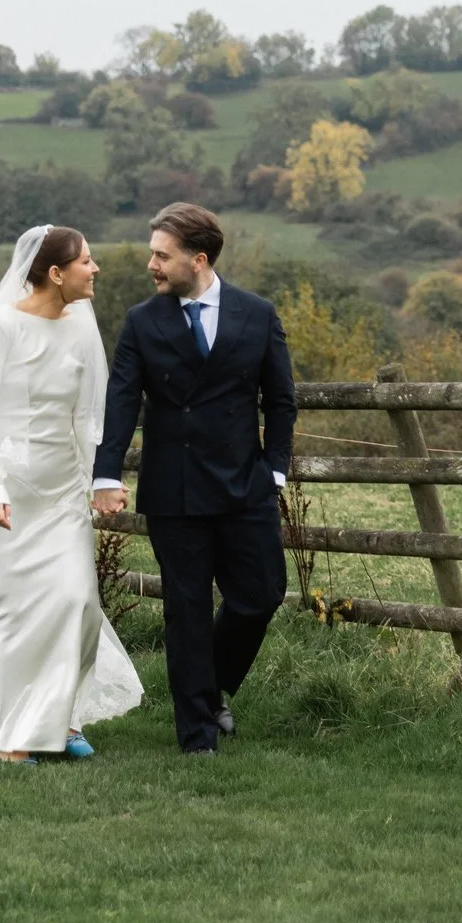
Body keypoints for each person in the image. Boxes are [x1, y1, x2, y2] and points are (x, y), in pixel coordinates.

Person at [90, 203, 296, 755]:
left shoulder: (256, 314)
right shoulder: (142, 321)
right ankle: (197, 735)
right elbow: (122, 399)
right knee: (186, 610)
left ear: (198, 259)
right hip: (174, 490)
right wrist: (106, 471)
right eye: (152, 254)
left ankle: (210, 690)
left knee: (262, 594)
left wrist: (274, 469)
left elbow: (280, 399)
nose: (151, 265)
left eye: (162, 255)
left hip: (245, 485)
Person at [0, 225, 142, 763]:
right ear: (56, 273)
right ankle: (15, 739)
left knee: (77, 605)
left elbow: (89, 415)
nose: (96, 269)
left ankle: (60, 719)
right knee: (16, 616)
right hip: (5, 495)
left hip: (62, 494)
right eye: (87, 261)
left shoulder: (82, 328)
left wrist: (98, 481)